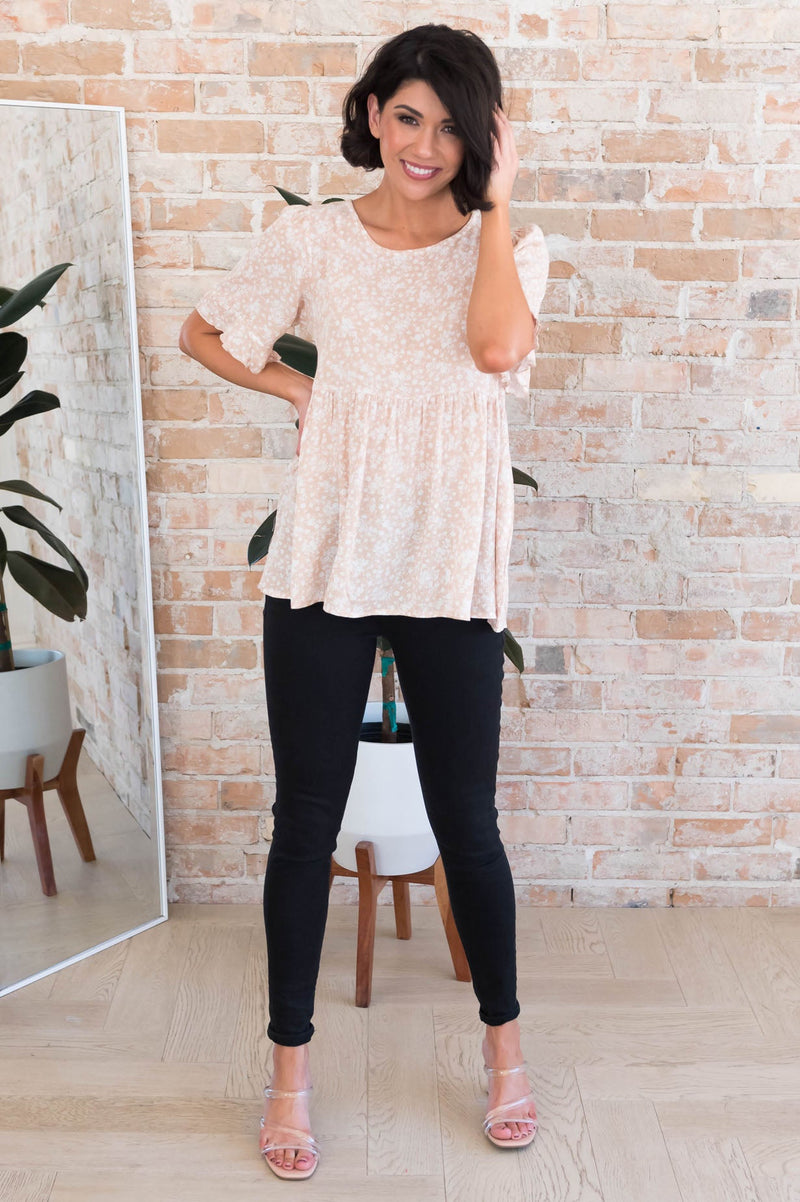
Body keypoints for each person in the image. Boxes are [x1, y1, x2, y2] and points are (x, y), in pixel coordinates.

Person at [179, 21, 549, 1182]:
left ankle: (503, 1053)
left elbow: (493, 350)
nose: (422, 145)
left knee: (467, 824)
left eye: (449, 126)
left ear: (482, 137)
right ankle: (288, 1073)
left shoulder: (508, 246)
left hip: (445, 566)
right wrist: (296, 388)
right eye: (405, 117)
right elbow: (203, 331)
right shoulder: (313, 239)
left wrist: (498, 203)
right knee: (304, 823)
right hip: (327, 561)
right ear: (372, 115)